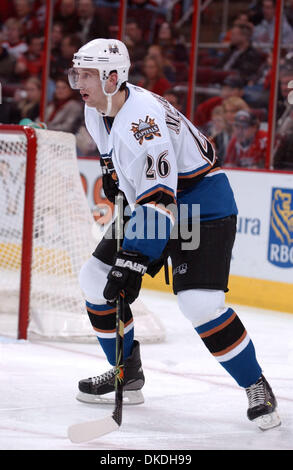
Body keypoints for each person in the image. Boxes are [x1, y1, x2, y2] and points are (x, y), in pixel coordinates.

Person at [67, 38, 281, 430]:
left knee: (200, 304)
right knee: (95, 280)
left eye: (87, 75)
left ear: (113, 78)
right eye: (76, 73)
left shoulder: (142, 122)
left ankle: (257, 385)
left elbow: (162, 201)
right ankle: (126, 374)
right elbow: (114, 158)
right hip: (154, 201)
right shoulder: (96, 106)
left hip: (200, 204)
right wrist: (114, 177)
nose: (77, 81)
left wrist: (132, 262)